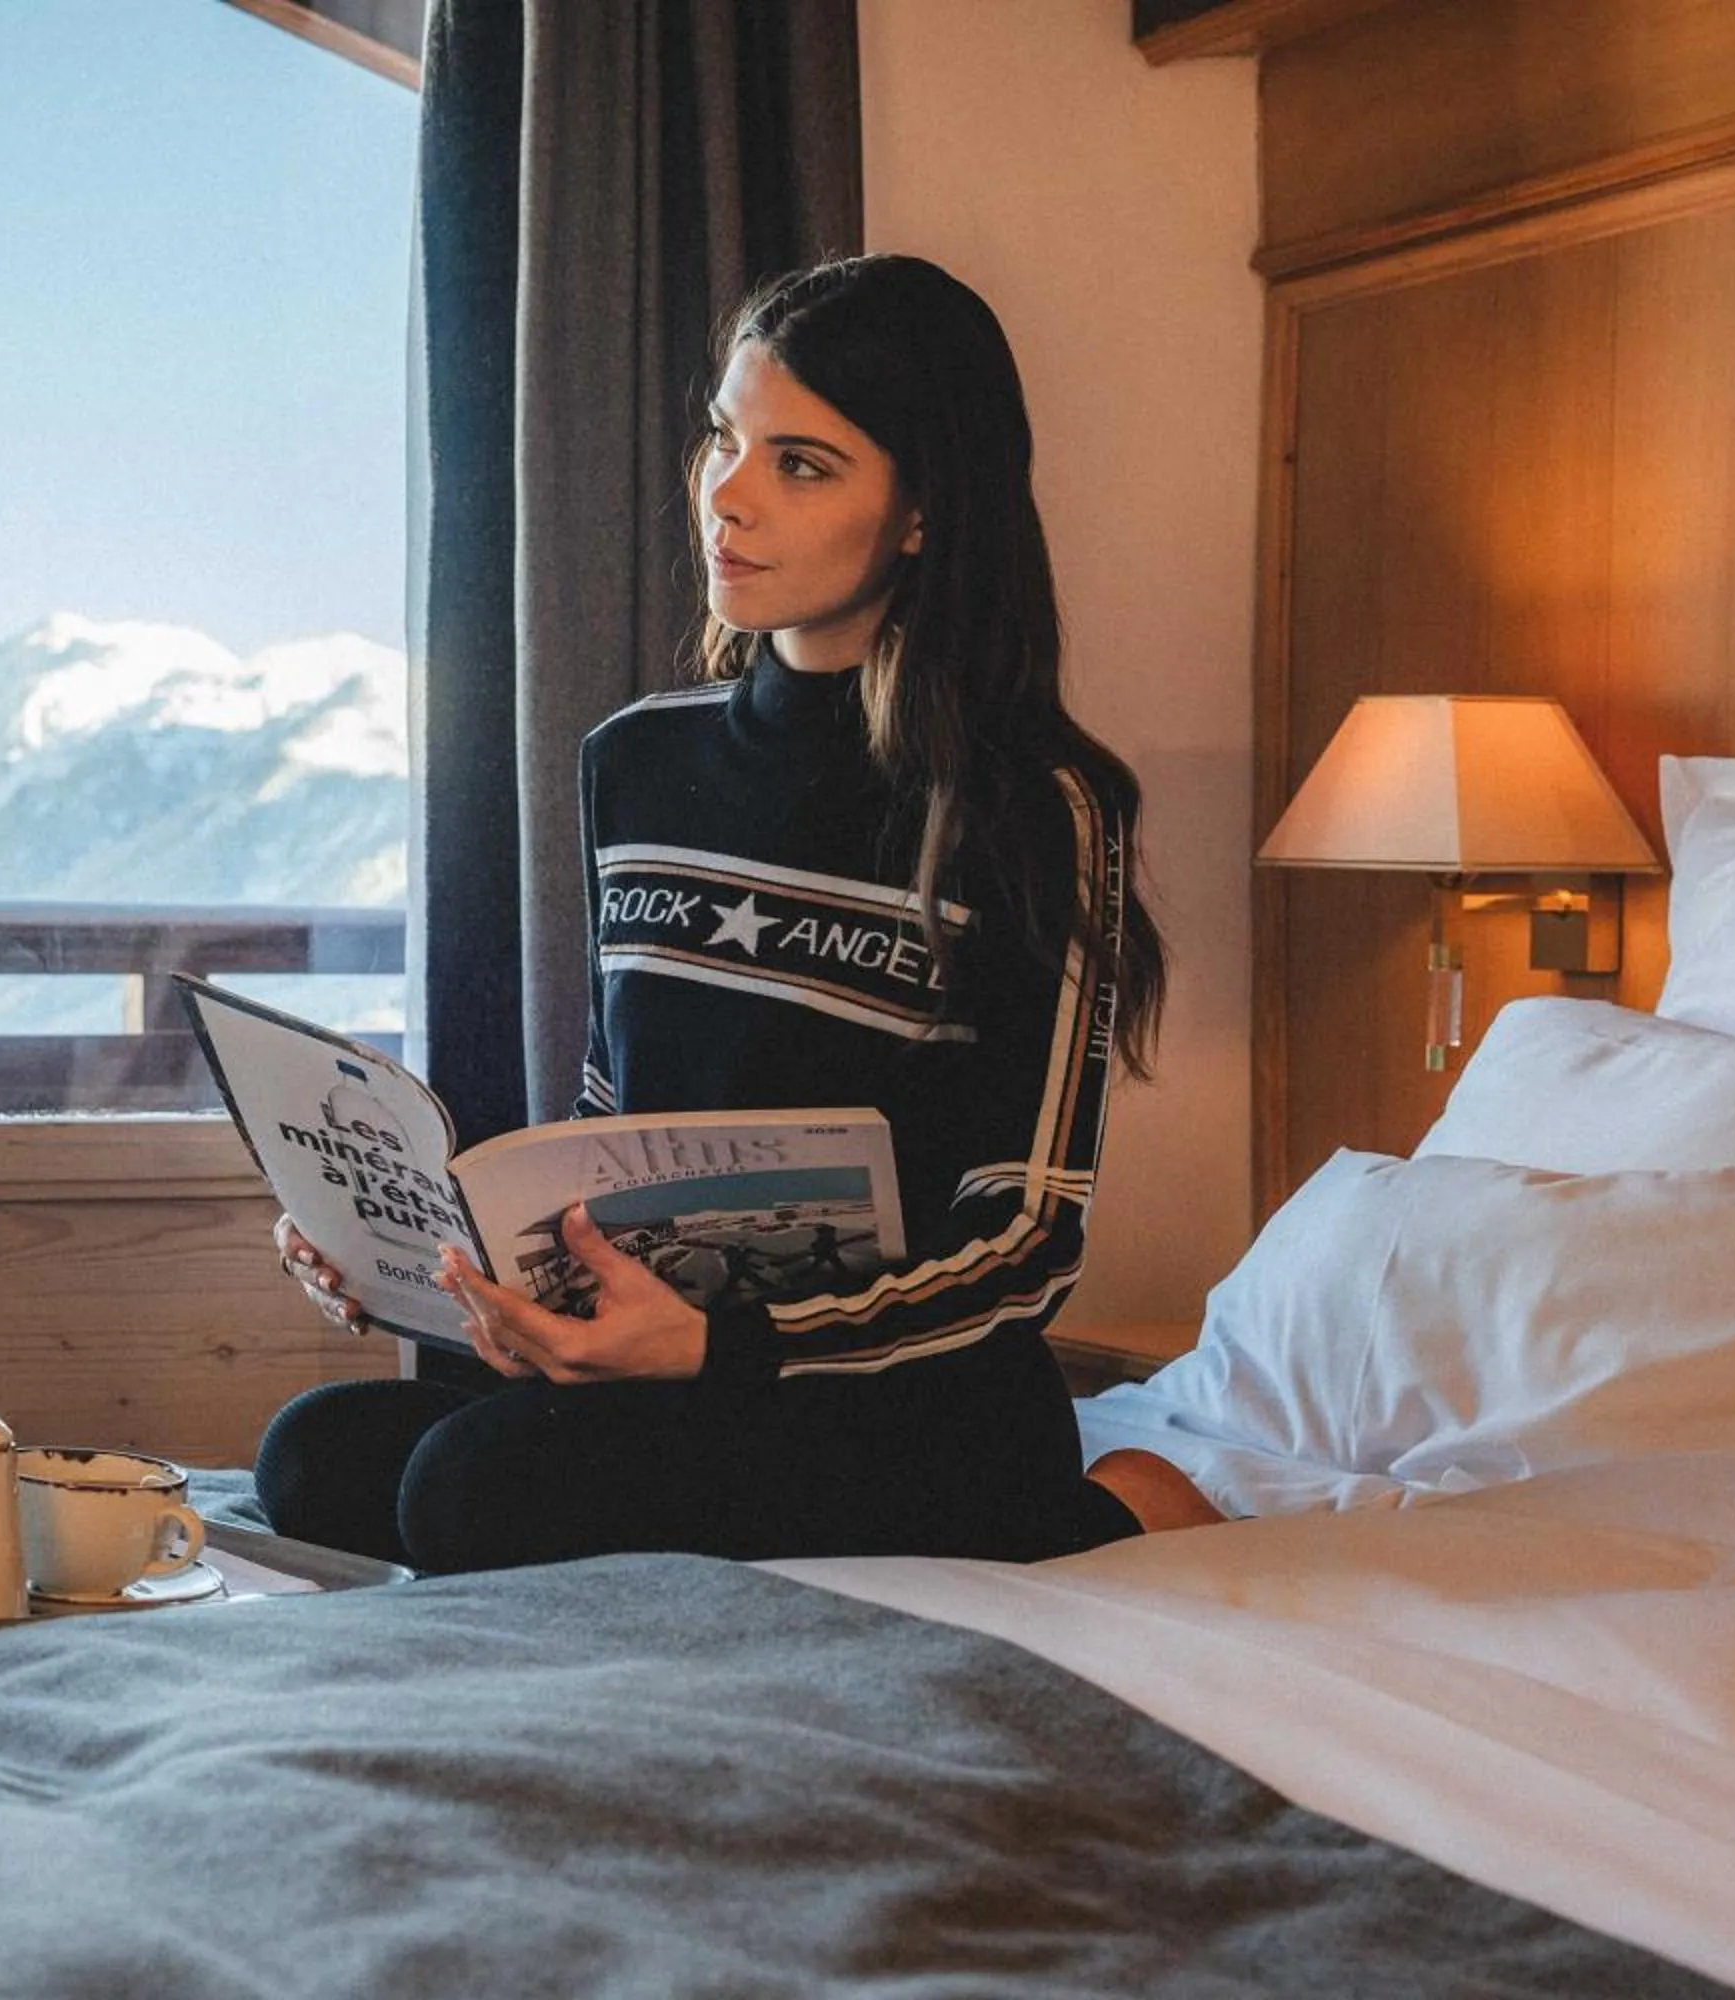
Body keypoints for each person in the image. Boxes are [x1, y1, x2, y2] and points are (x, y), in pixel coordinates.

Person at [257, 253, 1215, 1572]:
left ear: (924, 513)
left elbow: (1027, 1241)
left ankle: (1115, 1509)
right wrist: (435, 1264)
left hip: (897, 1402)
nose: (728, 495)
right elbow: (614, 1123)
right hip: (672, 1370)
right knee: (312, 1454)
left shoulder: (1034, 805)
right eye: (726, 436)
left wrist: (723, 1345)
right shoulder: (636, 761)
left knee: (472, 1493)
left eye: (802, 464)